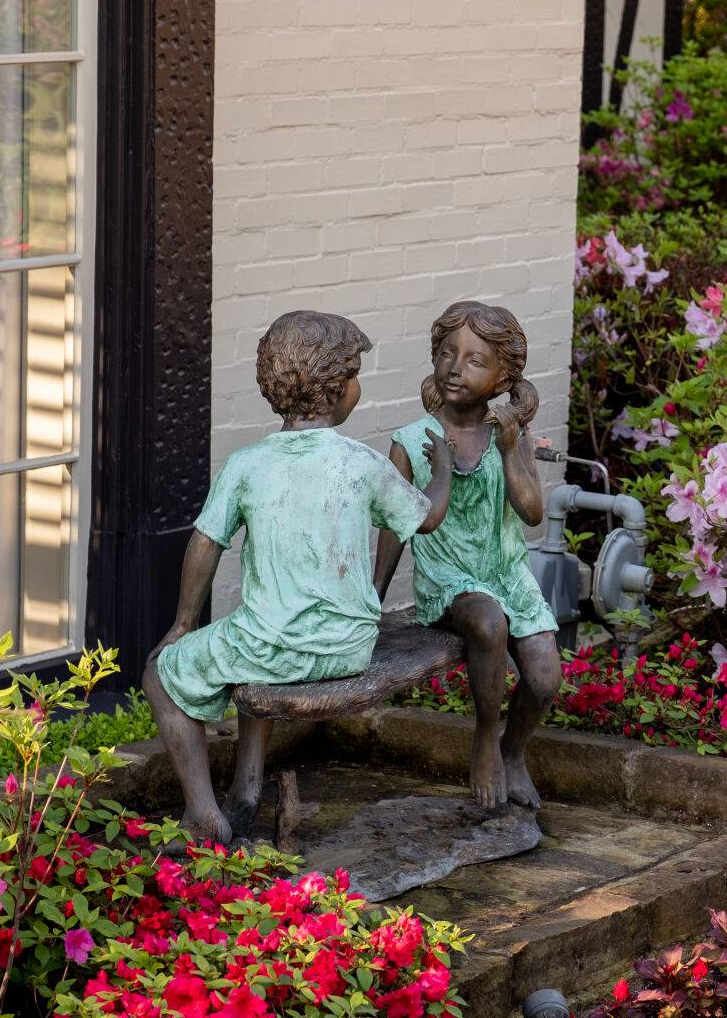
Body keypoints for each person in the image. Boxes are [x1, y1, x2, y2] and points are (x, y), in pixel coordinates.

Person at [145, 311, 452, 845]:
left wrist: (182, 625)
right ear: (335, 387)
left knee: (159, 673)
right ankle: (245, 788)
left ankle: (203, 813)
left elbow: (205, 545)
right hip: (348, 646)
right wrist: (443, 469)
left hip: (271, 645)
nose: (358, 384)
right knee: (250, 640)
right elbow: (426, 518)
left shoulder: (247, 464)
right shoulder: (361, 461)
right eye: (354, 372)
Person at [375, 301, 563, 811]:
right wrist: (374, 597)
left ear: (503, 376)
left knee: (546, 678)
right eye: (446, 353)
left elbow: (532, 515)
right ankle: (484, 741)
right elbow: (395, 528)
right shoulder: (412, 442)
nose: (456, 367)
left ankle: (513, 752)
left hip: (506, 571)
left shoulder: (512, 435)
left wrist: (507, 449)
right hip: (448, 575)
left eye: (475, 360)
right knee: (486, 621)